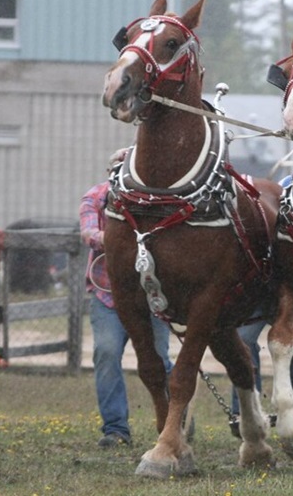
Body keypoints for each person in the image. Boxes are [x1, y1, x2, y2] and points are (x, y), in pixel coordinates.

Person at [81, 181, 173, 447]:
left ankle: (174, 418)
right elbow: (88, 232)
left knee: (160, 360)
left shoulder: (159, 199)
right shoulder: (95, 196)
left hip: (151, 296)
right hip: (108, 296)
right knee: (106, 353)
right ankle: (115, 429)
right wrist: (123, 241)